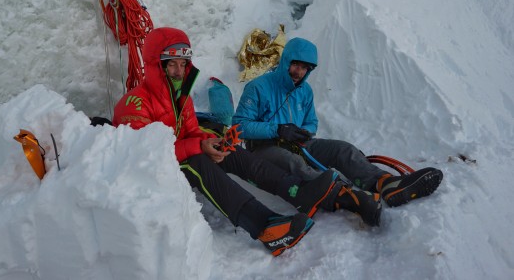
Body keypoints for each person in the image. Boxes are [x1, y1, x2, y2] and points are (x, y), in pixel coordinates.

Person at [113, 27, 364, 256]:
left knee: (228, 149)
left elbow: (191, 131)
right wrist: (199, 147)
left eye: (183, 64)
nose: (179, 72)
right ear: (158, 65)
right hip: (152, 167)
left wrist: (211, 140)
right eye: (172, 65)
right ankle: (263, 225)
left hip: (182, 151)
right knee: (198, 162)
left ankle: (297, 190)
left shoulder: (181, 98)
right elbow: (145, 152)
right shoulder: (135, 103)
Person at [233, 37, 443, 211]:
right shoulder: (258, 87)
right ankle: (347, 196)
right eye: (295, 64)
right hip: (264, 147)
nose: (298, 72)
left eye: (304, 68)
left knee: (343, 150)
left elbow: (311, 121)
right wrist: (277, 129)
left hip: (298, 144)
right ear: (286, 60)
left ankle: (385, 184)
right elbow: (239, 126)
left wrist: (306, 132)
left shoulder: (305, 91)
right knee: (294, 164)